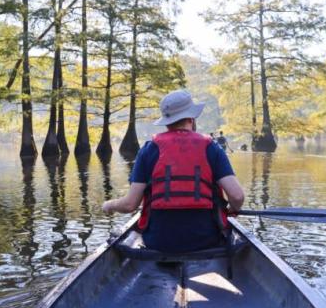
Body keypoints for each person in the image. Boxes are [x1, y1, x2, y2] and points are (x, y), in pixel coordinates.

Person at [102, 90, 244, 253]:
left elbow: (130, 205)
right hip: (206, 240)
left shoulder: (149, 150)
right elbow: (237, 196)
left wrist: (109, 204)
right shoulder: (212, 148)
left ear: (167, 122)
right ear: (192, 118)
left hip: (158, 242)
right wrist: (233, 209)